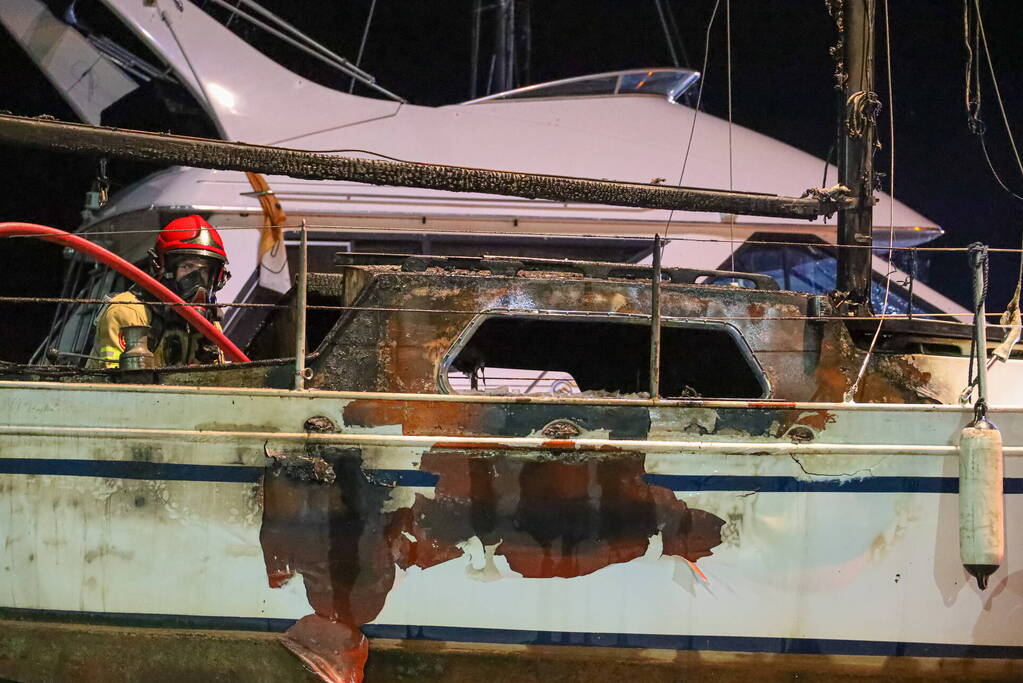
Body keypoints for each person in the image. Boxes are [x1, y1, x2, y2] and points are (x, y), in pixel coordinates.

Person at [90, 215, 231, 368]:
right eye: (187, 267)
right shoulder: (127, 312)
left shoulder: (210, 326)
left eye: (204, 271)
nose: (196, 280)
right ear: (160, 266)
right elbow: (116, 384)